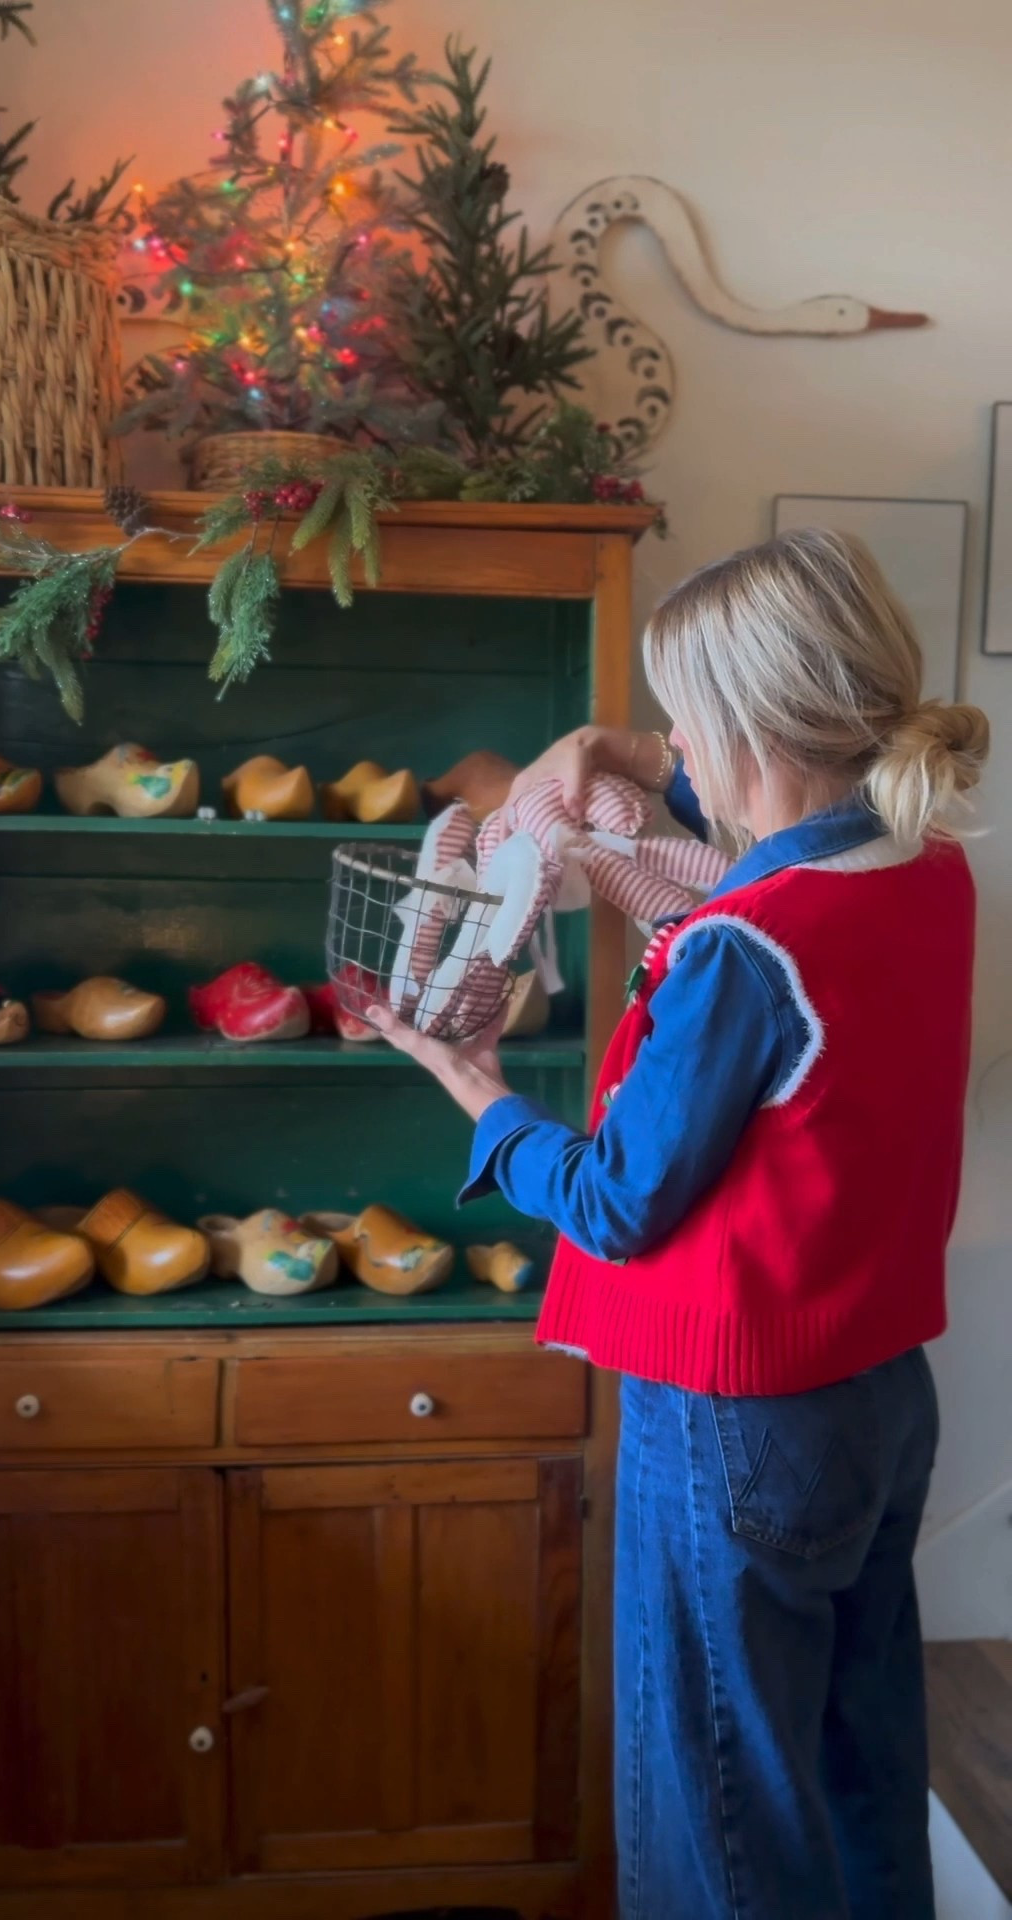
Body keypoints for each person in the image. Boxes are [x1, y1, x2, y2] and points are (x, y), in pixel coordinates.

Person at [369, 528, 990, 1920]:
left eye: (682, 721)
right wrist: (622, 750)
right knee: (860, 1768)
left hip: (737, 1420)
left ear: (745, 724)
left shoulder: (745, 945)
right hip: (882, 1397)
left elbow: (614, 1201)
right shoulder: (928, 866)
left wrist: (473, 1088)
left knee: (716, 1814)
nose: (675, 752)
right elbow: (735, 797)